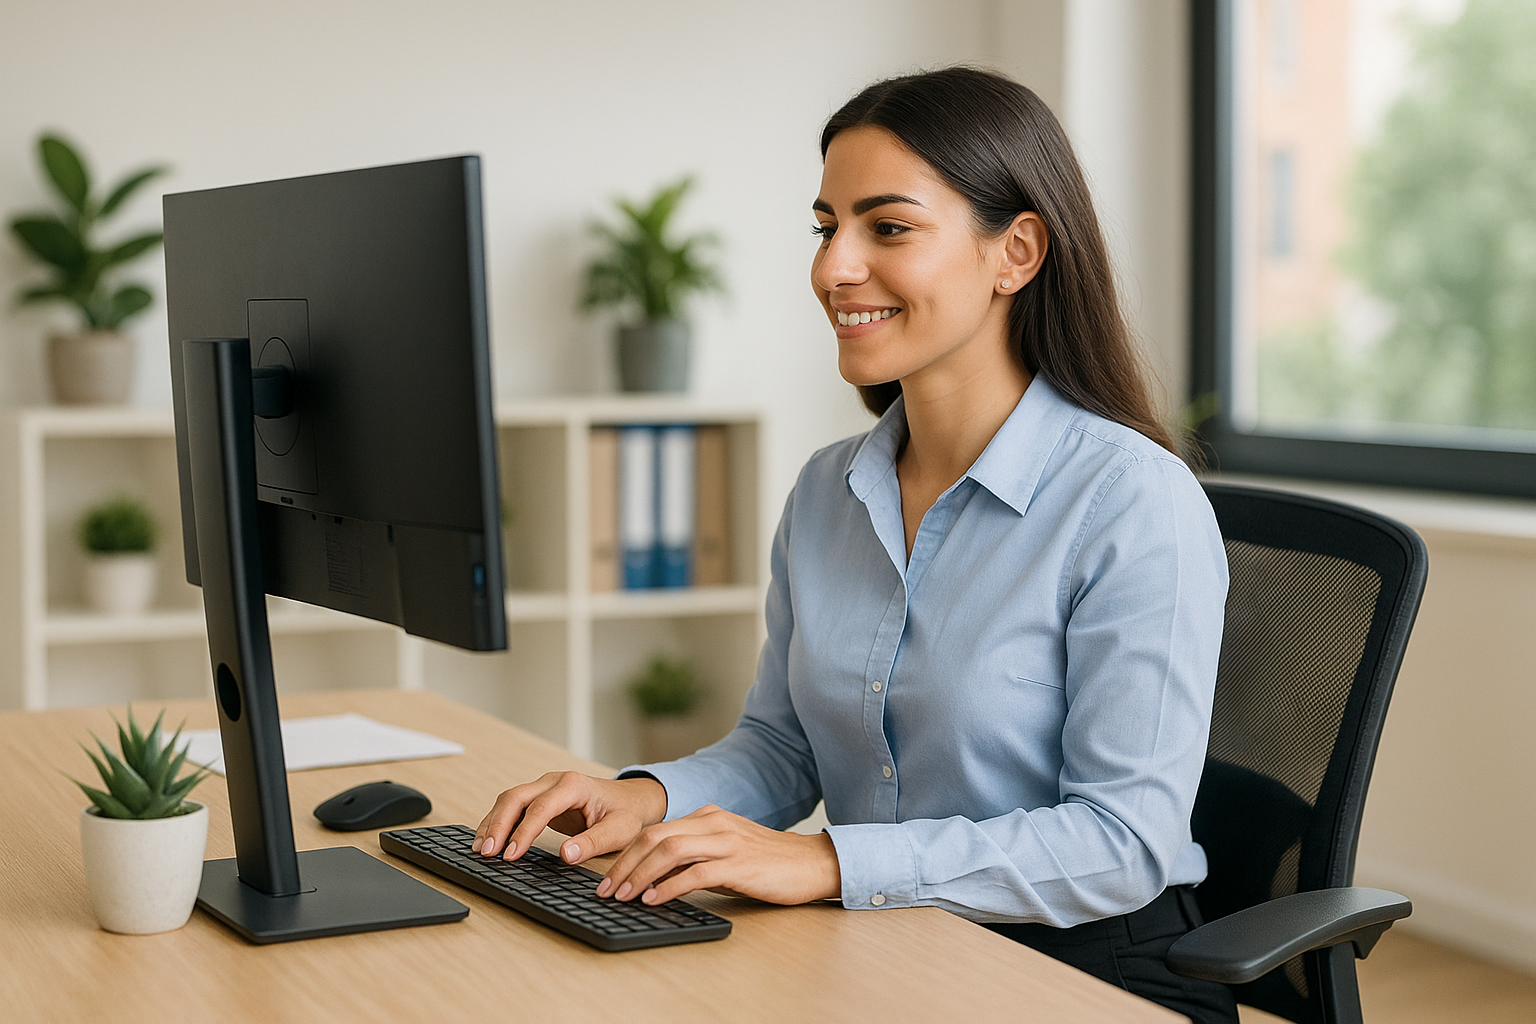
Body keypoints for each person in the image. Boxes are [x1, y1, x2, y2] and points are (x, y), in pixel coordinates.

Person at [476, 67, 1237, 1023]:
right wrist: (645, 797)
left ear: (1018, 252)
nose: (834, 267)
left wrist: (831, 859)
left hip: (1085, 972)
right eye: (826, 226)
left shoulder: (1129, 501)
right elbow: (782, 747)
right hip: (889, 936)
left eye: (888, 227)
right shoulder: (829, 490)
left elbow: (1122, 841)